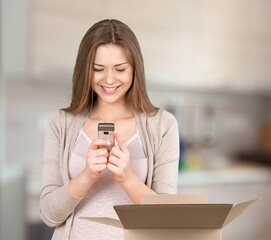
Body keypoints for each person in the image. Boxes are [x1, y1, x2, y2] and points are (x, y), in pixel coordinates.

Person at [40, 19, 180, 240]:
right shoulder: (61, 123)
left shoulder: (163, 125)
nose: (109, 79)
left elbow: (167, 217)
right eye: (98, 69)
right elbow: (49, 215)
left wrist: (127, 178)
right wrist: (87, 176)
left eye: (120, 69)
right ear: (85, 70)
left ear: (135, 69)